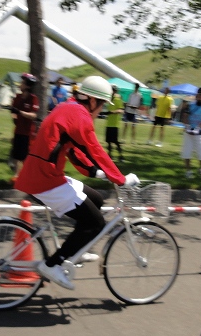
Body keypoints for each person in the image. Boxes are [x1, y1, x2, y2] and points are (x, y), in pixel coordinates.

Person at [15, 75, 138, 290]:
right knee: (96, 223)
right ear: (92, 101)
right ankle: (52, 265)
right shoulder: (80, 115)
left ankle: (76, 249)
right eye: (101, 105)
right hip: (45, 178)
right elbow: (94, 149)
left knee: (96, 199)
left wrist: (94, 172)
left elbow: (72, 149)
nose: (101, 111)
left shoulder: (68, 107)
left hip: (43, 173)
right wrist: (120, 178)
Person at [9, 73, 40, 182]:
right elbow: (13, 111)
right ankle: (17, 177)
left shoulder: (33, 99)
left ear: (28, 85)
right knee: (17, 155)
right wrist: (14, 115)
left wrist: (20, 112)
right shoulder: (17, 97)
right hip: (18, 130)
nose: (20, 84)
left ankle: (29, 177)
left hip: (28, 133)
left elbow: (33, 115)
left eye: (22, 82)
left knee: (26, 156)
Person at [181, 87, 201, 179]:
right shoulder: (190, 105)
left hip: (200, 132)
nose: (200, 96)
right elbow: (185, 116)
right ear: (196, 95)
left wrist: (199, 127)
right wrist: (187, 126)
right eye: (199, 94)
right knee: (187, 152)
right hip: (189, 131)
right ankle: (188, 171)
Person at [104, 84, 125, 161]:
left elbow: (121, 110)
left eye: (112, 90)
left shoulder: (117, 99)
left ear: (115, 91)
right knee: (108, 141)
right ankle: (110, 155)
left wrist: (112, 112)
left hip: (115, 124)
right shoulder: (109, 99)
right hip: (109, 123)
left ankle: (121, 155)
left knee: (115, 141)